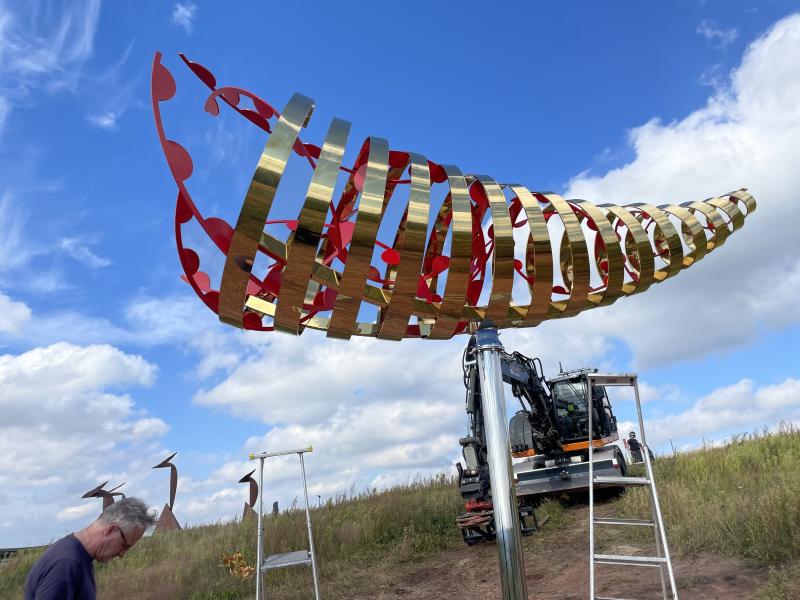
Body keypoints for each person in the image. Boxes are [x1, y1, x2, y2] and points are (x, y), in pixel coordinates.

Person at [24, 497, 157, 599]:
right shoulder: (66, 564)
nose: (122, 554)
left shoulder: (79, 557)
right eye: (124, 546)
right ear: (110, 531)